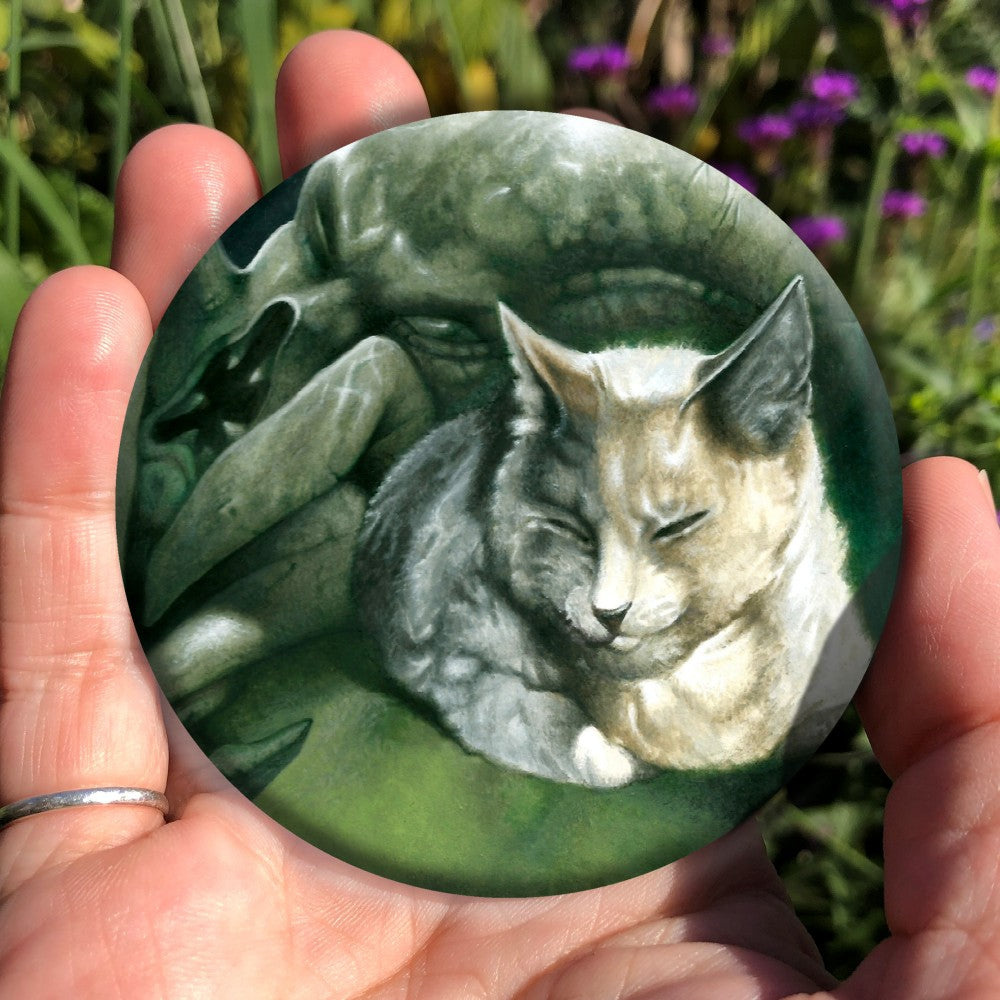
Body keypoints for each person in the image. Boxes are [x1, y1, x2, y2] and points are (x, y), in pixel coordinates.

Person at [0, 30, 998, 999]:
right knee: (223, 613)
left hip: (494, 527)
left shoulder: (766, 559)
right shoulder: (469, 478)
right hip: (433, 520)